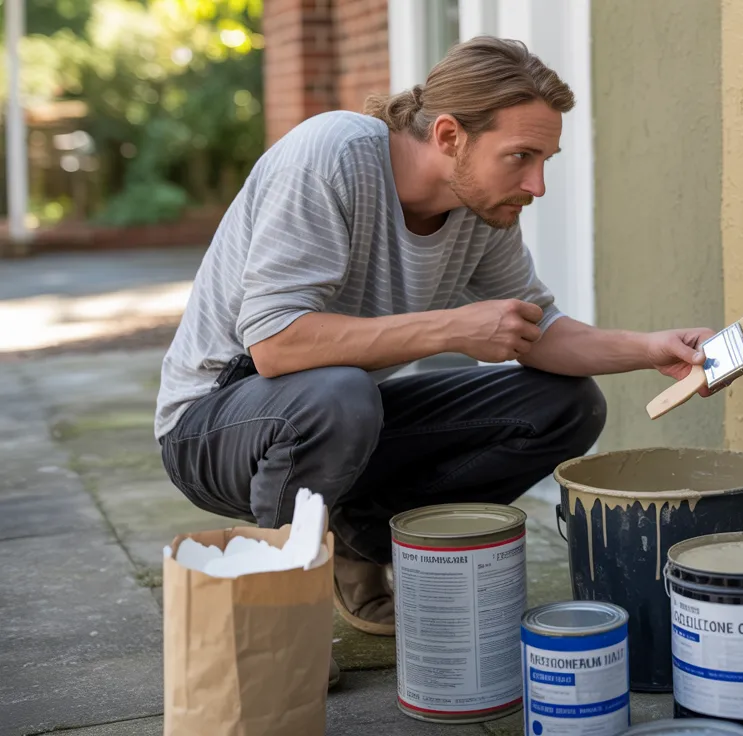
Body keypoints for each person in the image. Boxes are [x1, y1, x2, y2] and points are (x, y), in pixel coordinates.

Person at [153, 37, 713, 687]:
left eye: (545, 161)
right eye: (521, 158)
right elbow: (276, 345)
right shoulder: (331, 154)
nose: (536, 184)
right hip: (214, 421)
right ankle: (277, 616)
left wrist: (649, 350)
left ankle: (359, 538)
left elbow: (539, 331)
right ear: (449, 135)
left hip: (334, 412)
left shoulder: (484, 210)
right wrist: (453, 328)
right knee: (339, 395)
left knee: (565, 403)